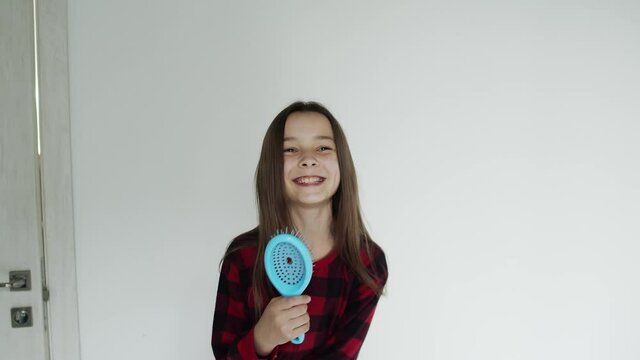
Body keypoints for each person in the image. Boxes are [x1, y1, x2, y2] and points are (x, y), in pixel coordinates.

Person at [211, 101, 388, 359]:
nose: (308, 159)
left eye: (323, 147)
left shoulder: (367, 263)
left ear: (342, 163)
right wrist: (262, 338)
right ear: (272, 166)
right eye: (291, 149)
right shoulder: (242, 257)